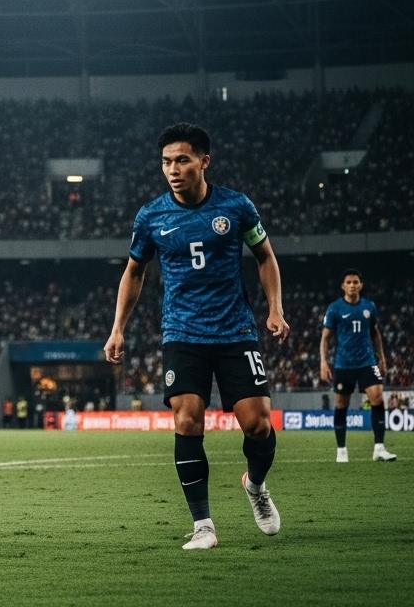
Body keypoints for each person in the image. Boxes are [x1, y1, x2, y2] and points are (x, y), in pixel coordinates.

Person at [105, 123, 290, 550]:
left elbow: (265, 256)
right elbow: (134, 271)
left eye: (182, 160)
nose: (173, 169)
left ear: (204, 161)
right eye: (166, 162)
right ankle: (203, 525)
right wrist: (117, 328)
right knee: (187, 418)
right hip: (182, 332)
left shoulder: (236, 206)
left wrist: (275, 308)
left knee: (258, 424)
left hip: (234, 329)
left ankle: (255, 485)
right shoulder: (151, 216)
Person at [321, 270, 396, 462]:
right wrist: (323, 362)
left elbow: (375, 333)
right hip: (343, 364)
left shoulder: (369, 306)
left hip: (367, 362)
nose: (352, 285)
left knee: (377, 397)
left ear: (361, 285)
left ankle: (379, 448)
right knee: (341, 404)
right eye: (349, 282)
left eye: (356, 282)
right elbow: (325, 338)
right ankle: (341, 450)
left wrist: (382, 358)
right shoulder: (335, 308)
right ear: (343, 286)